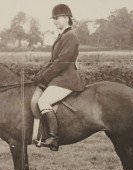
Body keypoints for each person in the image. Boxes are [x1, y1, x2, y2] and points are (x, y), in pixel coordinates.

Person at [32, 4, 84, 151]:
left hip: (67, 79)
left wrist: (43, 78)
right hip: (60, 78)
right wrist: (38, 76)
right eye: (53, 18)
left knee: (43, 101)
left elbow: (61, 63)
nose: (54, 21)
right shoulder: (63, 36)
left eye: (57, 18)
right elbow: (52, 62)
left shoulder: (70, 36)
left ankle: (53, 138)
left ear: (66, 18)